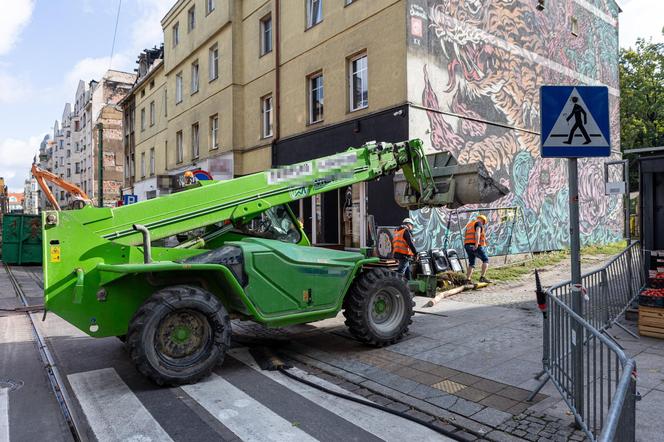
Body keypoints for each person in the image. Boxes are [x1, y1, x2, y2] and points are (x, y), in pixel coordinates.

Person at [464, 214, 491, 284]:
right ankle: (482, 277)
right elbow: (477, 233)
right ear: (483, 221)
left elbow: (466, 235)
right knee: (485, 260)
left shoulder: (469, 225)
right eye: (483, 223)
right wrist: (476, 244)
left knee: (471, 263)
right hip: (474, 245)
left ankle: (468, 280)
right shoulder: (478, 223)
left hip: (467, 245)